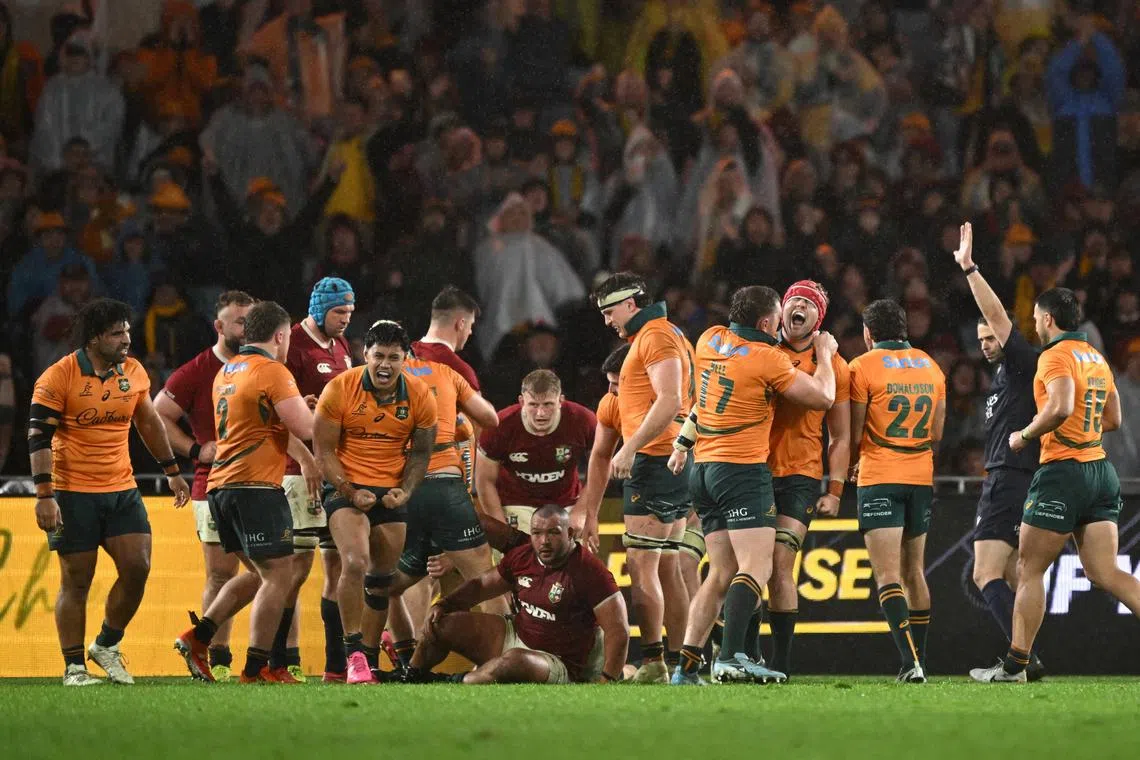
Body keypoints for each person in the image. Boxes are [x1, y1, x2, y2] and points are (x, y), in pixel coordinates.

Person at [669, 285, 837, 685]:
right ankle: (732, 656)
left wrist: (682, 444)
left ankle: (687, 667)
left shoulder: (709, 338)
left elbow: (703, 401)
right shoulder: (770, 360)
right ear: (766, 322)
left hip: (703, 469)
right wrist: (826, 355)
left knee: (720, 572)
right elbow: (823, 397)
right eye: (779, 313)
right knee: (757, 565)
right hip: (741, 471)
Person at [972, 288, 1140, 683]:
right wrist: (1082, 425)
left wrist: (1025, 435)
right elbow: (1112, 418)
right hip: (1101, 470)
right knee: (1104, 572)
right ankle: (1018, 662)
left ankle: (1016, 665)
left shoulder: (1055, 355)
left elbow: (1061, 405)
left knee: (1028, 569)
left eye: (1035, 317)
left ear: (1048, 319)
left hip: (1063, 473)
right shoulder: (1095, 357)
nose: (1033, 324)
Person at [29, 298, 191, 685]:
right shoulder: (58, 376)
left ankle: (106, 643)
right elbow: (38, 437)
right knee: (77, 581)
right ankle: (74, 667)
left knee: (139, 567)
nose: (126, 339)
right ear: (95, 337)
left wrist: (172, 472)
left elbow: (149, 423)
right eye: (117, 333)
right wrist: (44, 495)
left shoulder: (132, 372)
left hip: (122, 488)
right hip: (72, 492)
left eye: (128, 331)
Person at [174, 301, 320, 683]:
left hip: (221, 486)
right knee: (278, 577)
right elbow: (306, 429)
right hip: (254, 485)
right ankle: (257, 669)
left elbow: (261, 419)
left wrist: (293, 409)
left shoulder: (228, 371)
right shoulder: (273, 369)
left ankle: (199, 637)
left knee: (259, 574)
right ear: (279, 335)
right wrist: (339, 412)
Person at [359, 321, 504, 678]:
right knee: (486, 580)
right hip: (444, 485)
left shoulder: (376, 380)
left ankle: (369, 662)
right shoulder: (446, 373)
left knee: (386, 582)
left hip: (400, 493)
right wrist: (455, 419)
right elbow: (491, 419)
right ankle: (507, 657)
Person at [312, 320, 438, 685]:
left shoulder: (419, 395)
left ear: (406, 359)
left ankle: (367, 660)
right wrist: (350, 491)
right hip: (346, 489)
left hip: (391, 492)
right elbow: (323, 450)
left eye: (394, 357)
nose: (385, 365)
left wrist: (407, 491)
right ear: (364, 355)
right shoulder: (339, 387)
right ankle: (352, 655)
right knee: (354, 562)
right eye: (378, 356)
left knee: (381, 582)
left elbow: (421, 454)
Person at [952, 222, 1045, 681]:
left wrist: (970, 269)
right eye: (982, 339)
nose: (986, 344)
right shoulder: (1004, 381)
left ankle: (1019, 661)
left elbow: (999, 316)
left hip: (1009, 477)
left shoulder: (1022, 361)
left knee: (983, 573)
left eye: (992, 337)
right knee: (1011, 576)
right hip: (1011, 478)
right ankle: (1024, 657)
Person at [594, 271, 695, 683]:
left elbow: (671, 400)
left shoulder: (655, 336)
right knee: (668, 567)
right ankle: (681, 662)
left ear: (632, 304)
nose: (607, 321)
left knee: (643, 566)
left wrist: (630, 446)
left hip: (654, 461)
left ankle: (655, 662)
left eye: (609, 311)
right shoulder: (663, 335)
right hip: (672, 459)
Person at [403, 505, 629, 685]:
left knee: (514, 660)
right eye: (537, 533)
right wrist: (445, 604)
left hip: (560, 662)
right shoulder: (523, 555)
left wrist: (607, 679)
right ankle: (409, 675)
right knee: (441, 624)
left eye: (553, 533)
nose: (544, 541)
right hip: (517, 634)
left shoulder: (589, 570)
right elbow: (481, 586)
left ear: (570, 533)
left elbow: (618, 630)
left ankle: (453, 681)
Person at [154, 290, 255, 681]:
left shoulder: (261, 365)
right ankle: (218, 658)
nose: (246, 329)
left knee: (272, 570)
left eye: (251, 321)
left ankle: (254, 653)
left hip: (261, 481)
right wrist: (195, 449)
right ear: (219, 326)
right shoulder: (197, 369)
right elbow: (158, 413)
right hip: (212, 483)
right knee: (221, 573)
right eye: (240, 322)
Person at [849, 299, 946, 684]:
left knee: (887, 575)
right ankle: (921, 657)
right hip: (920, 475)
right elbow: (937, 433)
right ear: (905, 329)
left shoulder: (862, 366)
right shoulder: (931, 365)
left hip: (880, 474)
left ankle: (910, 663)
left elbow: (855, 431)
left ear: (868, 333)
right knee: (914, 572)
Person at [765, 280, 851, 678]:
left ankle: (780, 665)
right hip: (753, 471)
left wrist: (834, 490)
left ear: (820, 319)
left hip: (800, 475)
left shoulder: (834, 366)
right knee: (748, 566)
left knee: (781, 564)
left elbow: (842, 435)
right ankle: (743, 657)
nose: (798, 306)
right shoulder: (762, 352)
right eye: (793, 300)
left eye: (808, 303)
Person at [277, 277, 355, 683]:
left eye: (348, 313)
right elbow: (274, 413)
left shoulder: (341, 347)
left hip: (335, 472)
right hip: (298, 474)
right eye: (339, 312)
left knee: (338, 568)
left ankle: (335, 666)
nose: (345, 320)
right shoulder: (292, 346)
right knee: (294, 570)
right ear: (319, 308)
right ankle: (278, 659)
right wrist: (306, 460)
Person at [475, 369, 596, 534]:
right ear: (522, 401)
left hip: (566, 503)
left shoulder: (583, 421)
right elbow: (484, 481)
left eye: (548, 404)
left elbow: (602, 463)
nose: (541, 413)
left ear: (560, 401)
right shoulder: (499, 426)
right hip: (515, 503)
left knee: (575, 557)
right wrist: (501, 530)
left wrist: (583, 512)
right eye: (533, 405)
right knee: (515, 558)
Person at [574, 344, 630, 555]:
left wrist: (628, 450)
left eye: (616, 383)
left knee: (677, 563)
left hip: (685, 485)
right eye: (609, 383)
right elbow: (600, 456)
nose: (610, 391)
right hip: (639, 488)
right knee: (643, 560)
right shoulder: (610, 404)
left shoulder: (671, 404)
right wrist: (591, 515)